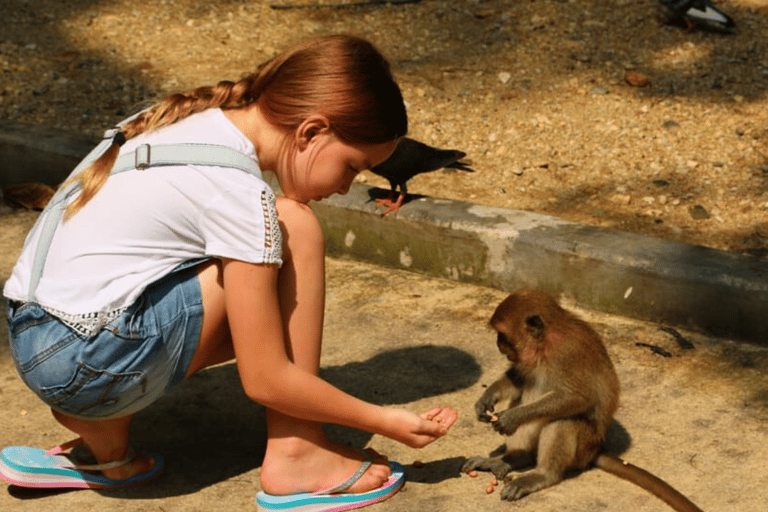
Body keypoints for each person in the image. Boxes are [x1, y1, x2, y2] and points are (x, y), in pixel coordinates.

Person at [1, 34, 458, 509]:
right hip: (89, 362)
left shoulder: (182, 124)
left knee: (195, 282)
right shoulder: (238, 191)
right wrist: (381, 420)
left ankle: (106, 448)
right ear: (311, 131)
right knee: (295, 226)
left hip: (34, 340)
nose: (346, 187)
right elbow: (264, 378)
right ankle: (298, 455)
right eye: (353, 167)